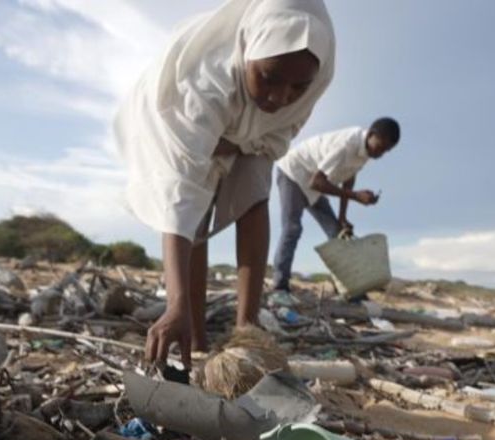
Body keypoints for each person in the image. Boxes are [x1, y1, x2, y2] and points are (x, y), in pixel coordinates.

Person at [115, 0, 335, 367]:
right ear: (249, 50)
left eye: (297, 87)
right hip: (171, 123)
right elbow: (181, 197)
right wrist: (175, 303)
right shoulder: (201, 86)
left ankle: (246, 333)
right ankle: (194, 335)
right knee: (194, 220)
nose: (281, 98)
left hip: (250, 136)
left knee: (255, 191)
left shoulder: (309, 84)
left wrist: (236, 141)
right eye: (269, 77)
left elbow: (277, 138)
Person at [269, 117, 400, 305]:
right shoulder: (346, 145)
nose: (381, 153)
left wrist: (342, 217)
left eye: (386, 150)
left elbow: (348, 179)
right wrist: (355, 196)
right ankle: (279, 288)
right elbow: (318, 181)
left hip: (315, 184)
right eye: (381, 146)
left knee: (338, 234)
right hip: (294, 174)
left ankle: (351, 291)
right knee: (292, 229)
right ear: (371, 134)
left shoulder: (366, 152)